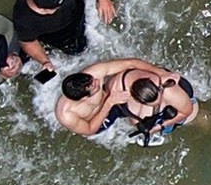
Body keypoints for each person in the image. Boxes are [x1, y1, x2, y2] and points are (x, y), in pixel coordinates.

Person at [12, 0, 116, 72]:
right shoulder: (24, 20)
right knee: (79, 50)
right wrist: (45, 61)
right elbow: (27, 41)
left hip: (78, 8)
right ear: (47, 10)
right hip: (61, 32)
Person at [55, 58, 199, 138]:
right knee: (136, 119)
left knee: (139, 117)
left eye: (91, 80)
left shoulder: (94, 74)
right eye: (94, 87)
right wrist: (110, 102)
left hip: (114, 97)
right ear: (83, 99)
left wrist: (159, 72)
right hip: (96, 119)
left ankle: (133, 116)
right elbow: (89, 129)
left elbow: (131, 63)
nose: (97, 81)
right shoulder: (66, 115)